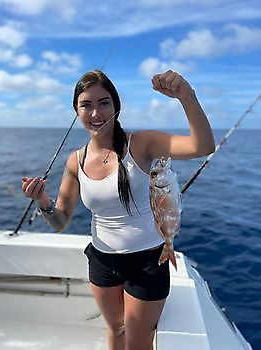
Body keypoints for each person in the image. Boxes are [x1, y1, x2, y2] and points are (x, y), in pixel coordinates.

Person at [22, 69, 215, 350]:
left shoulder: (142, 143)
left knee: (138, 343)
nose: (96, 112)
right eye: (86, 104)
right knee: (116, 330)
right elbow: (60, 220)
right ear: (76, 110)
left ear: (116, 106)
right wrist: (42, 202)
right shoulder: (75, 161)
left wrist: (186, 95)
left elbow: (202, 146)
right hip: (102, 262)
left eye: (104, 102)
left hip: (148, 262)